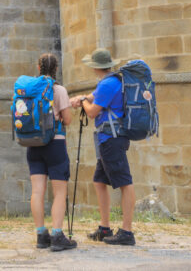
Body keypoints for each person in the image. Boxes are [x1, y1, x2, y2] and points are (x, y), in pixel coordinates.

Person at [70, 48, 136, 246]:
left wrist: (82, 103)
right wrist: (82, 98)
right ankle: (105, 227)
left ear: (94, 67)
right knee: (99, 181)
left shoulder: (108, 84)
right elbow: (92, 97)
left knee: (125, 182)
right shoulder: (109, 82)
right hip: (107, 139)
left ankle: (127, 231)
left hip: (111, 139)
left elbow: (91, 112)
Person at [25, 53, 77, 251]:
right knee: (59, 191)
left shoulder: (30, 90)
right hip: (55, 144)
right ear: (56, 69)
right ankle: (57, 235)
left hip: (34, 144)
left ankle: (40, 234)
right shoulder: (59, 90)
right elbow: (67, 119)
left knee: (37, 190)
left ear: (38, 68)